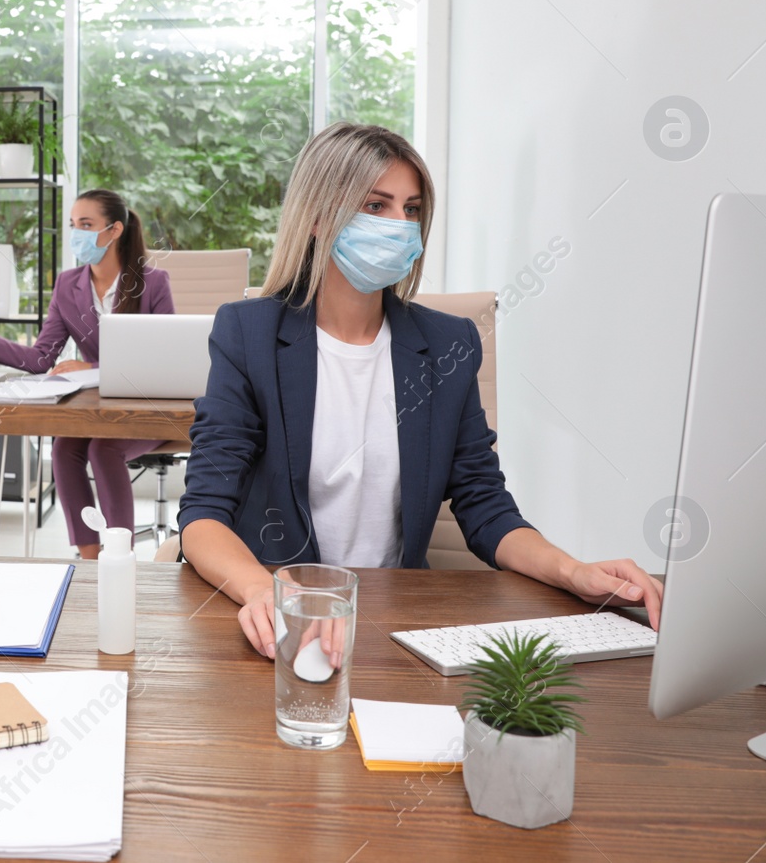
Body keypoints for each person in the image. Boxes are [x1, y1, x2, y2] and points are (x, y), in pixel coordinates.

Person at [177, 122, 663, 663]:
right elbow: (203, 514)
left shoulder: (448, 343)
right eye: (376, 205)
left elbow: (483, 503)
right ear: (317, 217)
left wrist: (573, 570)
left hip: (396, 623)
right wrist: (268, 593)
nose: (399, 225)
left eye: (411, 210)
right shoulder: (249, 334)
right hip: (276, 628)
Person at [0, 189, 173, 558]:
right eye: (73, 225)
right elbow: (43, 357)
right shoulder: (67, 285)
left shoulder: (153, 283)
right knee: (64, 449)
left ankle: (120, 557)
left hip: (147, 407)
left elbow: (163, 358)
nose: (77, 234)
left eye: (86, 225)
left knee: (104, 449)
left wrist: (91, 367)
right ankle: (89, 557)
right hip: (96, 408)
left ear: (114, 229)